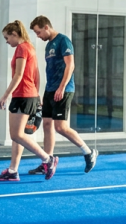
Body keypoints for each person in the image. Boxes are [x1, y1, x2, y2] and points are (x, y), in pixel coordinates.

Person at [28, 16, 98, 175]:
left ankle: (88, 152)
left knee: (60, 127)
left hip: (63, 90)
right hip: (50, 89)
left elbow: (70, 65)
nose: (38, 36)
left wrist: (61, 87)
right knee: (47, 125)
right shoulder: (49, 45)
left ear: (46, 27)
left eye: (39, 32)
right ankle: (47, 162)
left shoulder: (63, 41)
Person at [0, 20, 59, 181]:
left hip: (23, 96)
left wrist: (5, 95)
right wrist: (36, 95)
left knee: (16, 135)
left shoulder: (22, 48)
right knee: (17, 135)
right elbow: (36, 74)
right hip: (27, 95)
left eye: (7, 38)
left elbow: (18, 74)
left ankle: (47, 159)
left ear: (14, 34)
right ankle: (13, 170)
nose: (7, 41)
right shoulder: (30, 48)